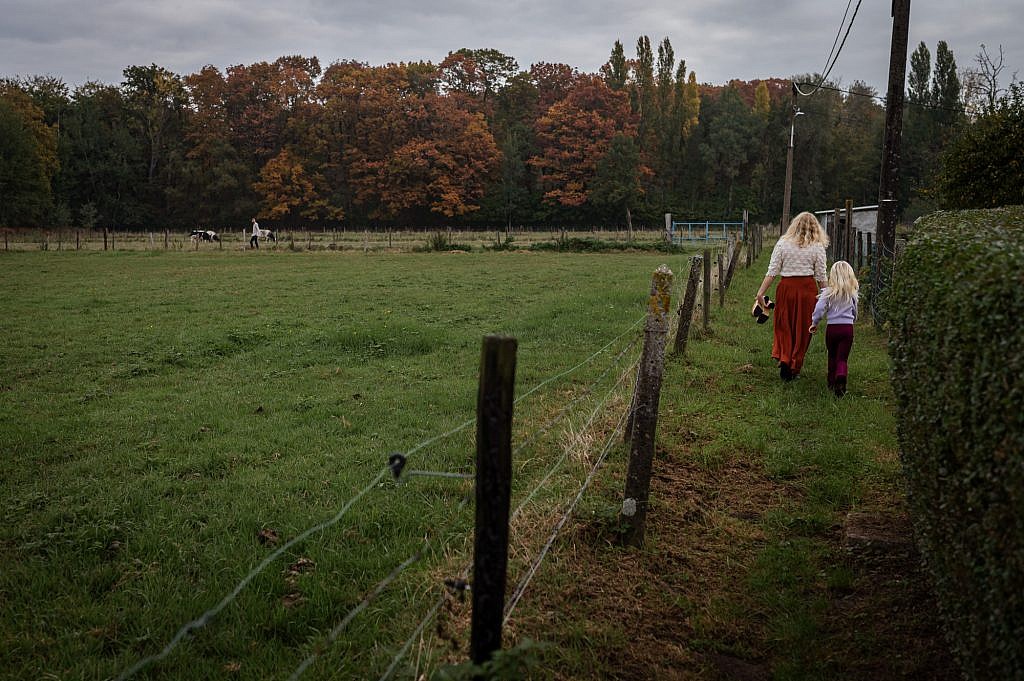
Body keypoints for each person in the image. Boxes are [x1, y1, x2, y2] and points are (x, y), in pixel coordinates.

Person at [752, 212, 828, 381]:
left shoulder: (783, 243)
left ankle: (785, 359)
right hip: (807, 291)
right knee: (802, 329)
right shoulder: (817, 246)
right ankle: (794, 365)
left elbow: (772, 271)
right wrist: (827, 297)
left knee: (784, 325)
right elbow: (821, 276)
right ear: (815, 228)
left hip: (786, 289)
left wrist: (761, 292)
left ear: (795, 225)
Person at [809, 261, 859, 396]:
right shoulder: (852, 293)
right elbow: (854, 310)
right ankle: (841, 375)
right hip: (847, 329)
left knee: (832, 355)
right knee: (842, 358)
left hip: (832, 329)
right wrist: (853, 319)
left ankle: (831, 383)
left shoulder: (827, 293)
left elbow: (819, 308)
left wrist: (815, 322)